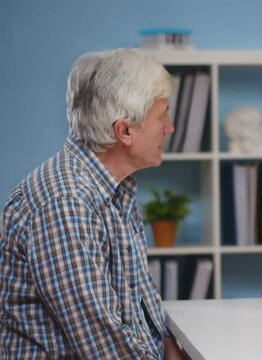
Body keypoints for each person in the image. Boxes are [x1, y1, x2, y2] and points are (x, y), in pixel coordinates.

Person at [0, 49, 186, 359]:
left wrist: (168, 345)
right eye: (162, 114)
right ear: (124, 130)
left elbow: (139, 298)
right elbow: (103, 346)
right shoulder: (65, 203)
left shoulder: (113, 188)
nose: (170, 127)